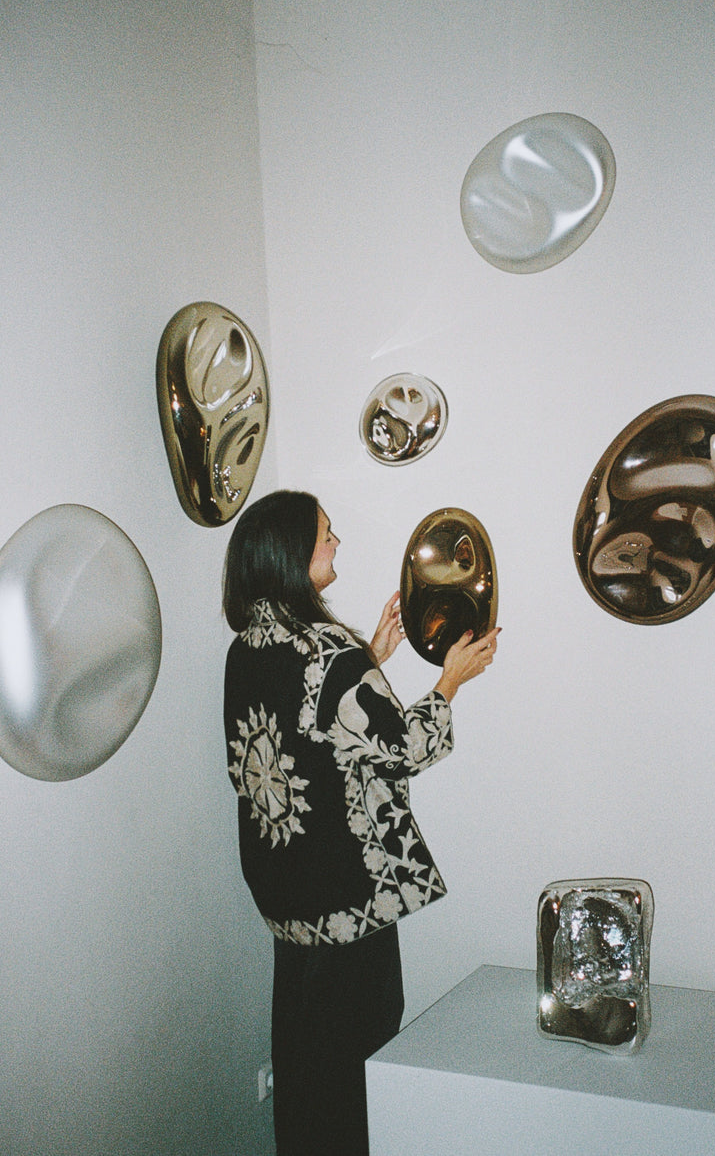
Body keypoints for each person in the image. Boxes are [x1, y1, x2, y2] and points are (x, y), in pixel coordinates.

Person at [222, 489, 500, 1155]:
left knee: (305, 1072)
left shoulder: (247, 646)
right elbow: (404, 749)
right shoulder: (329, 652)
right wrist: (451, 681)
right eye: (325, 533)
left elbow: (309, 734)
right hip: (346, 901)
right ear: (291, 552)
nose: (335, 542)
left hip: (290, 905)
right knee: (356, 1075)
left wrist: (371, 654)